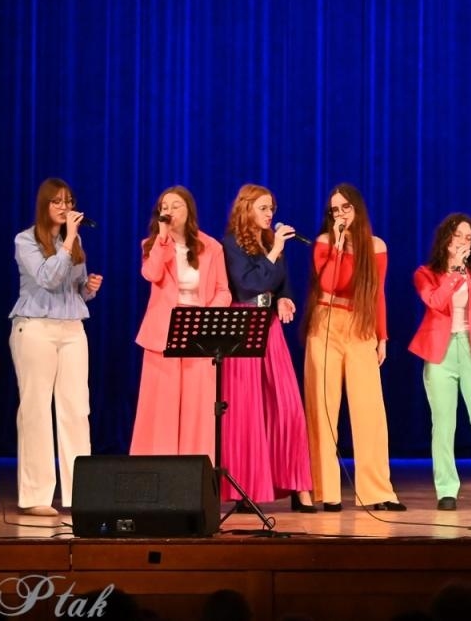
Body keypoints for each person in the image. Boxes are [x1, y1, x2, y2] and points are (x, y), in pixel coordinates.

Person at [303, 183, 403, 511]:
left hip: (360, 327)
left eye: (345, 207)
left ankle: (377, 491)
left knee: (370, 410)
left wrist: (382, 336)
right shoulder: (323, 243)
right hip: (326, 324)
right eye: (334, 210)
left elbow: (377, 293)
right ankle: (328, 491)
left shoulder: (376, 246)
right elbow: (332, 282)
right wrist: (338, 245)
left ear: (357, 208)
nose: (341, 214)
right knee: (323, 408)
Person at [10, 178, 103, 515]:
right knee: (35, 411)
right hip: (35, 328)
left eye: (69, 201)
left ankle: (81, 494)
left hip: (72, 329)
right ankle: (35, 496)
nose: (65, 208)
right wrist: (70, 243)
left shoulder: (72, 244)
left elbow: (72, 290)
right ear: (45, 206)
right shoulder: (25, 240)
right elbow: (47, 279)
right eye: (58, 202)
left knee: (76, 410)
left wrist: (88, 287)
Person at [220, 184, 314, 511]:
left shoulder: (271, 242)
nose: (269, 214)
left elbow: (280, 281)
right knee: (248, 411)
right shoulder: (230, 243)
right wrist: (273, 252)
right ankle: (247, 489)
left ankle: (298, 486)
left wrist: (286, 298)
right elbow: (250, 283)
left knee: (287, 406)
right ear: (246, 209)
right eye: (263, 208)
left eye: (271, 208)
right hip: (244, 326)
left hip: (270, 326)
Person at [409, 213, 471, 510]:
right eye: (459, 235)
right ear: (446, 240)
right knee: (443, 423)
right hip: (441, 353)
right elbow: (435, 302)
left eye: (469, 237)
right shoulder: (425, 273)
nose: (464, 241)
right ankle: (446, 490)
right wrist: (453, 273)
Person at [130, 186, 232, 458]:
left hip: (199, 333)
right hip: (162, 336)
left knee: (197, 410)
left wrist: (207, 318)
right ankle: (157, 476)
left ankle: (195, 475)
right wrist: (162, 240)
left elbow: (224, 291)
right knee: (162, 409)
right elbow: (151, 274)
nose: (170, 211)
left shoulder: (211, 247)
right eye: (165, 206)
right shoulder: (151, 245)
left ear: (188, 211)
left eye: (176, 206)